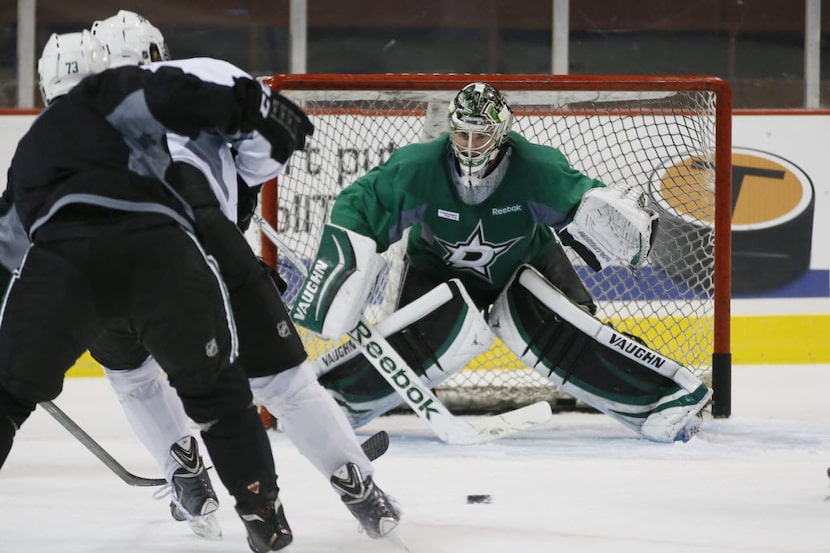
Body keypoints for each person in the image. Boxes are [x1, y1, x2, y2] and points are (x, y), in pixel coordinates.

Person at [89, 10, 401, 540]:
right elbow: (271, 147)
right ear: (159, 52)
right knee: (285, 385)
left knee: (132, 375)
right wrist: (232, 190)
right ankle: (359, 487)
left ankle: (185, 471)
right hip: (212, 254)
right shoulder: (208, 73)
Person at [0, 28, 314, 552]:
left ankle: (186, 472)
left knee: (8, 394)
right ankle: (264, 516)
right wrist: (261, 111)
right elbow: (186, 95)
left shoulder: (31, 149)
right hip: (161, 257)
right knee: (219, 395)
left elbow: (7, 243)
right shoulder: (120, 92)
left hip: (69, 271)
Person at [289, 81, 713, 444]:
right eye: (463, 135)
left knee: (578, 334)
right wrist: (344, 257)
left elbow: (582, 199)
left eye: (482, 136)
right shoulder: (419, 168)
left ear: (503, 134)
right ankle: (326, 404)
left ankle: (663, 396)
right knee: (405, 350)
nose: (471, 146)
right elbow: (362, 203)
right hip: (436, 270)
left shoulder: (536, 169)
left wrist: (604, 214)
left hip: (526, 265)